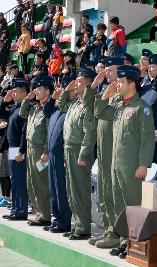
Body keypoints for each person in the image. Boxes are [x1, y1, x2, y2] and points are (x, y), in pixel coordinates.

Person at [95, 65, 155, 258]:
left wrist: (143, 164)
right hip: (115, 164)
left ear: (132, 83)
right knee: (119, 206)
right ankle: (124, 241)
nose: (117, 84)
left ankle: (135, 243)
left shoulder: (141, 109)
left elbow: (147, 139)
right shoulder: (119, 106)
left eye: (121, 81)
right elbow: (99, 112)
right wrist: (105, 95)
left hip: (131, 166)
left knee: (133, 206)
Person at [85, 56, 124, 249]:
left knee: (113, 193)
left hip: (114, 150)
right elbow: (89, 106)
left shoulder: (121, 94)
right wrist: (94, 86)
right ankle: (109, 230)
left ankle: (117, 234)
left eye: (110, 69)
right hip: (102, 150)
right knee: (103, 192)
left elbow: (102, 112)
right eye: (106, 69)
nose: (106, 73)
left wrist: (105, 95)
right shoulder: (105, 90)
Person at [61, 68, 97, 240]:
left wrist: (83, 155)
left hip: (79, 151)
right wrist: (66, 92)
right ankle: (76, 224)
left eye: (80, 81)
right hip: (69, 149)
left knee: (80, 190)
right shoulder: (75, 103)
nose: (76, 84)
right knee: (71, 190)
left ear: (89, 84)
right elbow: (61, 105)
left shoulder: (88, 105)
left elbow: (89, 133)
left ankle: (83, 227)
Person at [19, 76, 54, 227]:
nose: (36, 91)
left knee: (41, 183)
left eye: (39, 89)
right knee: (31, 182)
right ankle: (39, 213)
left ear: (48, 90)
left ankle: (45, 215)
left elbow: (49, 133)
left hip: (41, 151)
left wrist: (46, 151)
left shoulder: (49, 109)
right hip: (31, 149)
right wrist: (27, 99)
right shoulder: (34, 108)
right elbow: (22, 113)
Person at [42, 77, 75, 233]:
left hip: (62, 154)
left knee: (62, 189)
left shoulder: (69, 107)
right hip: (53, 154)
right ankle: (57, 219)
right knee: (53, 189)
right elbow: (46, 111)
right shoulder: (56, 108)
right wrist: (53, 98)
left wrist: (65, 93)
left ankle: (65, 221)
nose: (61, 90)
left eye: (65, 88)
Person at [0, 79, 29, 221]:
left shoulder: (25, 107)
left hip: (18, 149)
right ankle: (16, 209)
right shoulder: (15, 106)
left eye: (16, 91)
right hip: (12, 148)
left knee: (20, 180)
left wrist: (21, 151)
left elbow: (24, 132)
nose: (13, 93)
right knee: (14, 180)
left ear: (24, 92)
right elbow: (3, 116)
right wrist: (5, 102)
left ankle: (21, 210)